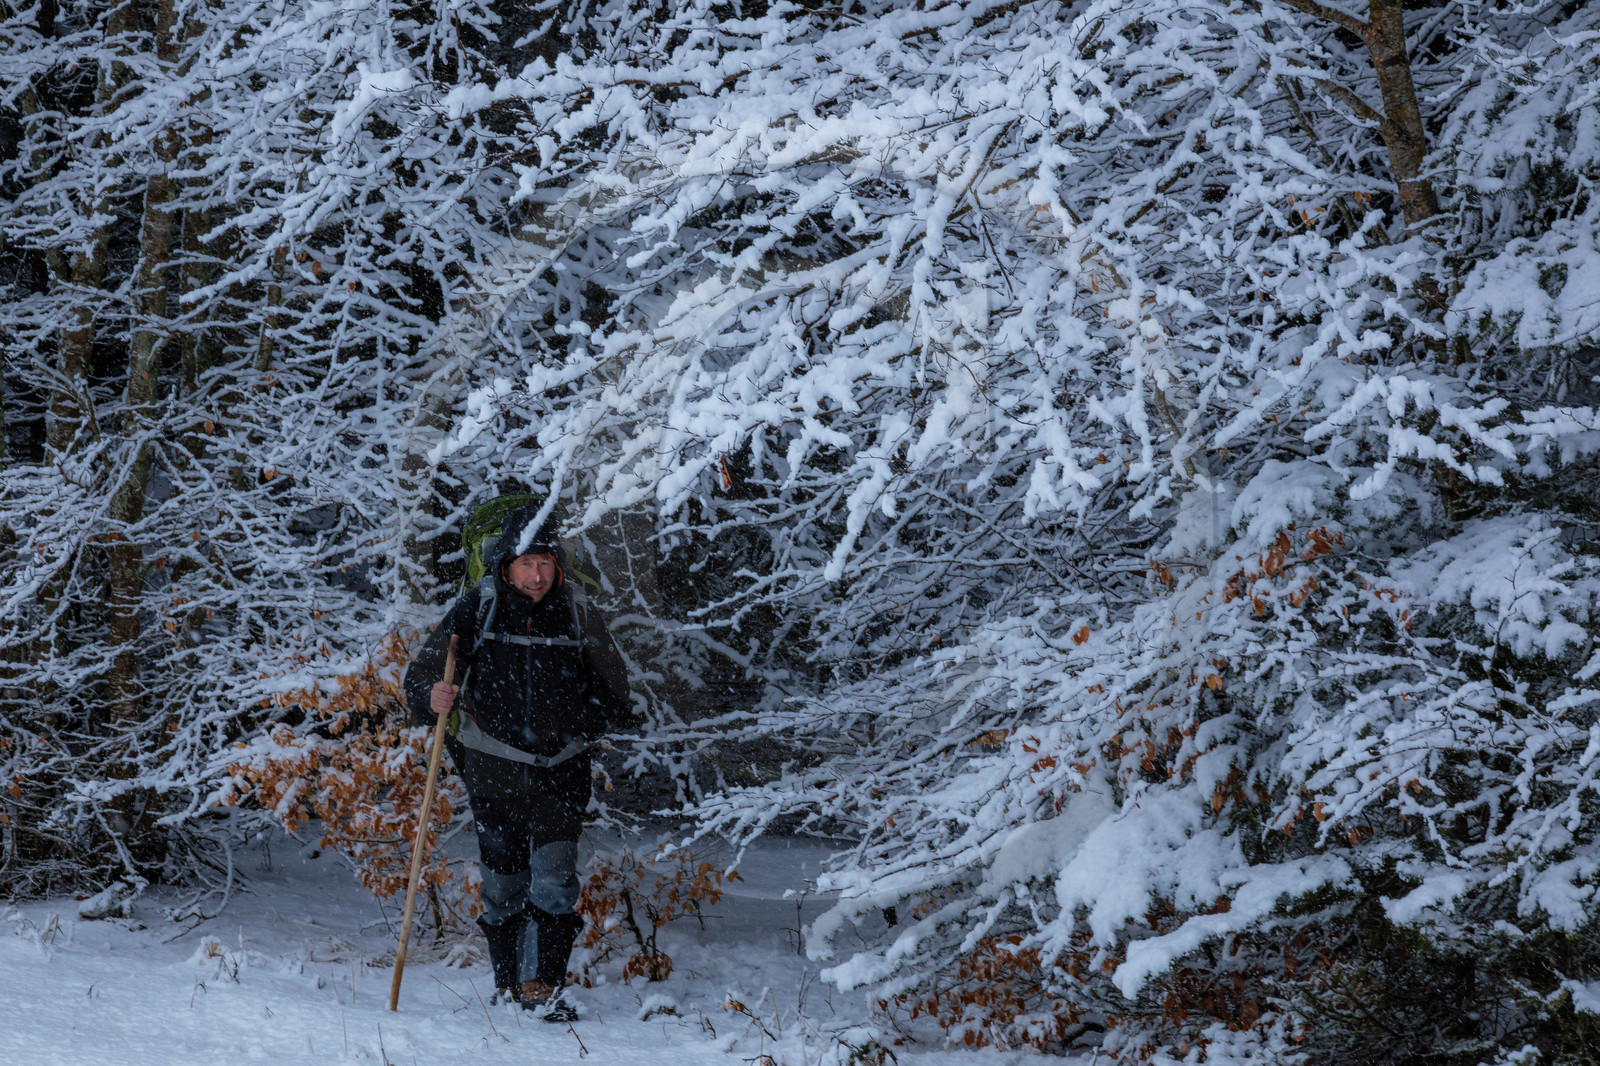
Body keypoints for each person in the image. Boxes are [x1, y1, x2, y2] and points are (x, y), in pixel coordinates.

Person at [403, 504, 632, 1021]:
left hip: (562, 769)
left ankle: (540, 985)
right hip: (492, 767)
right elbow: (422, 674)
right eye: (526, 564)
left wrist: (580, 719)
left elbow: (617, 694)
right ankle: (507, 983)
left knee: (554, 877)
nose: (536, 576)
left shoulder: (578, 614)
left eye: (545, 564)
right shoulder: (475, 610)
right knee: (502, 881)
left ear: (558, 566)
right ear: (505, 566)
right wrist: (432, 695)